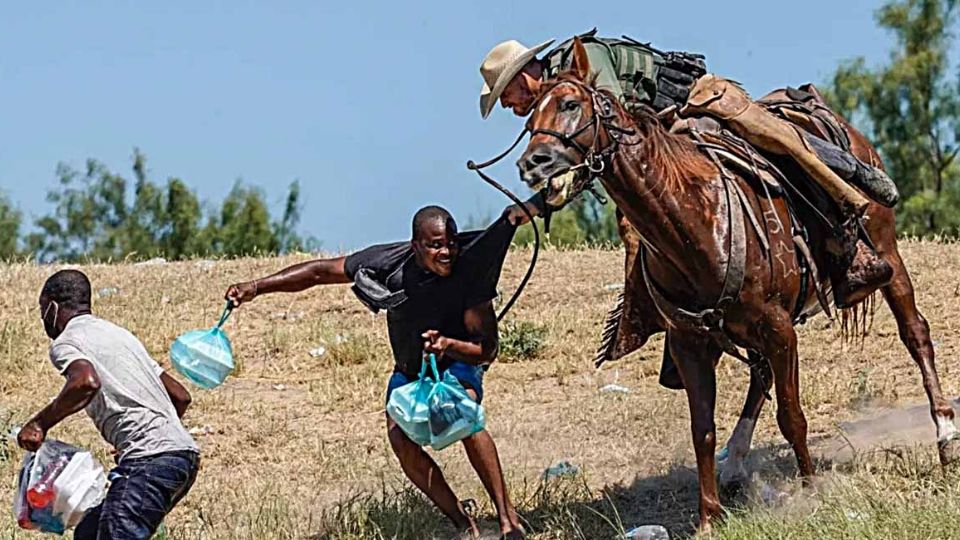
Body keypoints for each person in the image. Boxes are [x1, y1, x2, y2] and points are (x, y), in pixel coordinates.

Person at [477, 29, 897, 310]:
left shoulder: (582, 64)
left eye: (507, 96)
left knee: (774, 145)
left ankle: (848, 229)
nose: (511, 107)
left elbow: (616, 129)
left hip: (693, 106)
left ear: (523, 76)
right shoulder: (554, 107)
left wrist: (546, 197)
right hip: (660, 141)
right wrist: (539, 202)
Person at [224, 197, 544, 540]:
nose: (447, 252)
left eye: (451, 242)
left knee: (460, 414)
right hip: (409, 369)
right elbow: (319, 272)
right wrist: (256, 287)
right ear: (415, 245)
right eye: (436, 245)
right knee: (400, 437)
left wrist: (447, 345)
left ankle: (508, 520)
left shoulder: (473, 266)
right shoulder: (387, 262)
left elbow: (487, 350)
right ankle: (463, 524)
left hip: (458, 362)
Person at [18, 269, 200, 540]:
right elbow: (180, 396)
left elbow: (86, 382)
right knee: (90, 533)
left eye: (42, 309)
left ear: (52, 307)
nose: (43, 318)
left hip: (149, 461)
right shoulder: (121, 336)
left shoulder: (66, 341)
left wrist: (39, 424)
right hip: (182, 458)